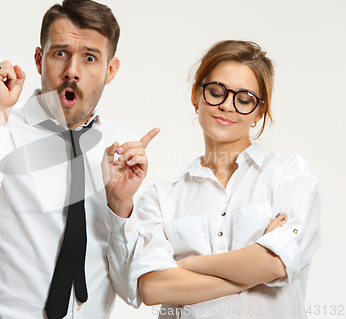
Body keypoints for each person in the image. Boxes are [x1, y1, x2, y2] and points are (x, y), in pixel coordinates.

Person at [0, 0, 158, 319]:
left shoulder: (124, 148)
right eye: (60, 54)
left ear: (109, 71)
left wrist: (121, 205)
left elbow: (131, 289)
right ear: (40, 59)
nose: (72, 71)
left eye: (90, 58)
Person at [105, 40, 321, 318]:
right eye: (216, 92)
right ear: (196, 96)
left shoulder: (291, 174)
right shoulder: (161, 199)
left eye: (244, 100)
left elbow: (277, 264)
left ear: (259, 112)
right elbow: (152, 288)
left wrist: (183, 266)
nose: (227, 106)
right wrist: (253, 264)